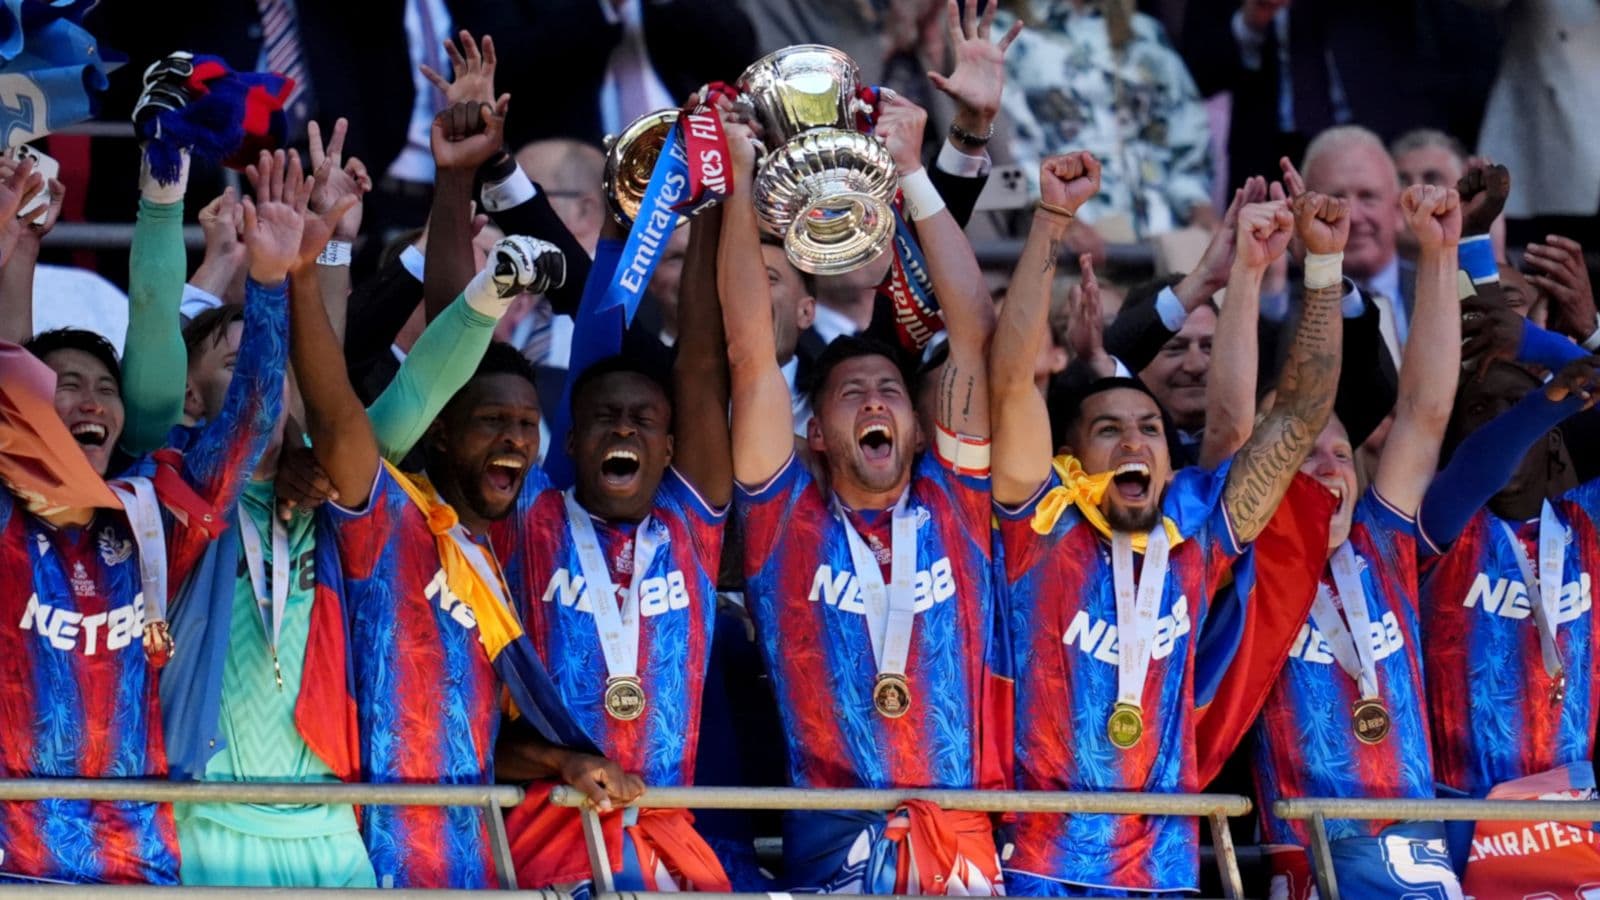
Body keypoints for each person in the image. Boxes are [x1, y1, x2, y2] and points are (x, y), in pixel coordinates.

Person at [988, 150, 1344, 895]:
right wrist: (1051, 220)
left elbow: (1302, 412)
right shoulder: (1037, 520)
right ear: (1070, 455)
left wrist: (1322, 269)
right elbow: (1012, 377)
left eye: (1149, 428)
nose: (1135, 442)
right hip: (1038, 865)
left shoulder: (1197, 538)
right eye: (1109, 429)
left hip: (1165, 869)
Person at [719, 89, 1006, 893]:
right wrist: (739, 184)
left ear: (919, 427)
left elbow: (973, 334)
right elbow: (749, 350)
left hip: (963, 850)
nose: (877, 401)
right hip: (833, 855)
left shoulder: (957, 505)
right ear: (815, 431)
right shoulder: (784, 519)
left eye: (889, 389)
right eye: (851, 394)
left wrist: (913, 170)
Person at [0, 147, 289, 884]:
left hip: (141, 864)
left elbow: (249, 426)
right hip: (15, 863)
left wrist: (268, 285)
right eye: (66, 385)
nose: (93, 400)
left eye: (105, 386)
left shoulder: (150, 517)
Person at [491, 198, 734, 893]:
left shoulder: (691, 528)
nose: (623, 429)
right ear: (570, 443)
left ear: (670, 448)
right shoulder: (528, 519)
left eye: (642, 420)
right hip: (545, 848)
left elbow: (700, 365)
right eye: (603, 418)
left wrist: (711, 211)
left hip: (666, 854)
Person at [1243, 183, 1466, 897]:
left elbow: (1426, 412)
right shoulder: (1243, 560)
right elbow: (1226, 424)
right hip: (1310, 863)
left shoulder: (1381, 541)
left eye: (1339, 452)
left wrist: (1437, 253)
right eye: (1302, 453)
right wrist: (1262, 275)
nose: (1327, 466)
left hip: (1419, 860)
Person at [996, 0, 1214, 238]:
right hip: (1064, 249)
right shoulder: (1000, 34)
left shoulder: (1146, 32)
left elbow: (1185, 132)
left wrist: (1198, 206)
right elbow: (997, 157)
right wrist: (1049, 212)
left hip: (1165, 244)